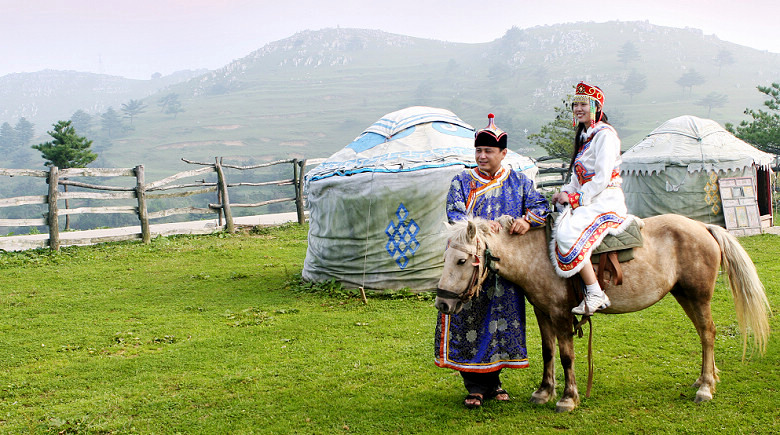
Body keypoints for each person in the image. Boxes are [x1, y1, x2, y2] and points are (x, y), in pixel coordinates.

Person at [435, 113, 550, 409]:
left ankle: (495, 382)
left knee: (501, 325)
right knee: (468, 322)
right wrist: (483, 226)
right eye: (478, 151)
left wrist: (527, 221)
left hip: (504, 270)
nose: (482, 156)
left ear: (503, 153)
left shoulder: (519, 182)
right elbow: (456, 216)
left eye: (488, 151)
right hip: (469, 268)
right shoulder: (462, 181)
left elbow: (541, 206)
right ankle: (474, 385)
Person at [550, 82, 632, 315]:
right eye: (575, 104)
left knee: (567, 231)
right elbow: (577, 178)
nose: (578, 108)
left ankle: (595, 291)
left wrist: (576, 199)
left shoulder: (605, 135)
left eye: (583, 103)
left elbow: (603, 177)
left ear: (596, 107)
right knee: (559, 220)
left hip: (606, 198)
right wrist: (565, 192)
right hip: (591, 197)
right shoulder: (586, 138)